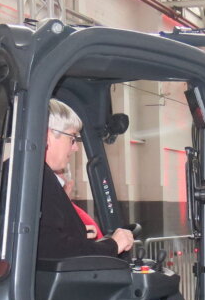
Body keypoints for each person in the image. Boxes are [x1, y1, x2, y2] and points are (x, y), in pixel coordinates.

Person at [39, 100, 135, 259]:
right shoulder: (41, 182)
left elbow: (50, 240)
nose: (75, 147)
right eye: (72, 138)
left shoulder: (40, 177)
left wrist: (79, 234)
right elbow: (53, 249)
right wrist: (113, 245)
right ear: (48, 136)